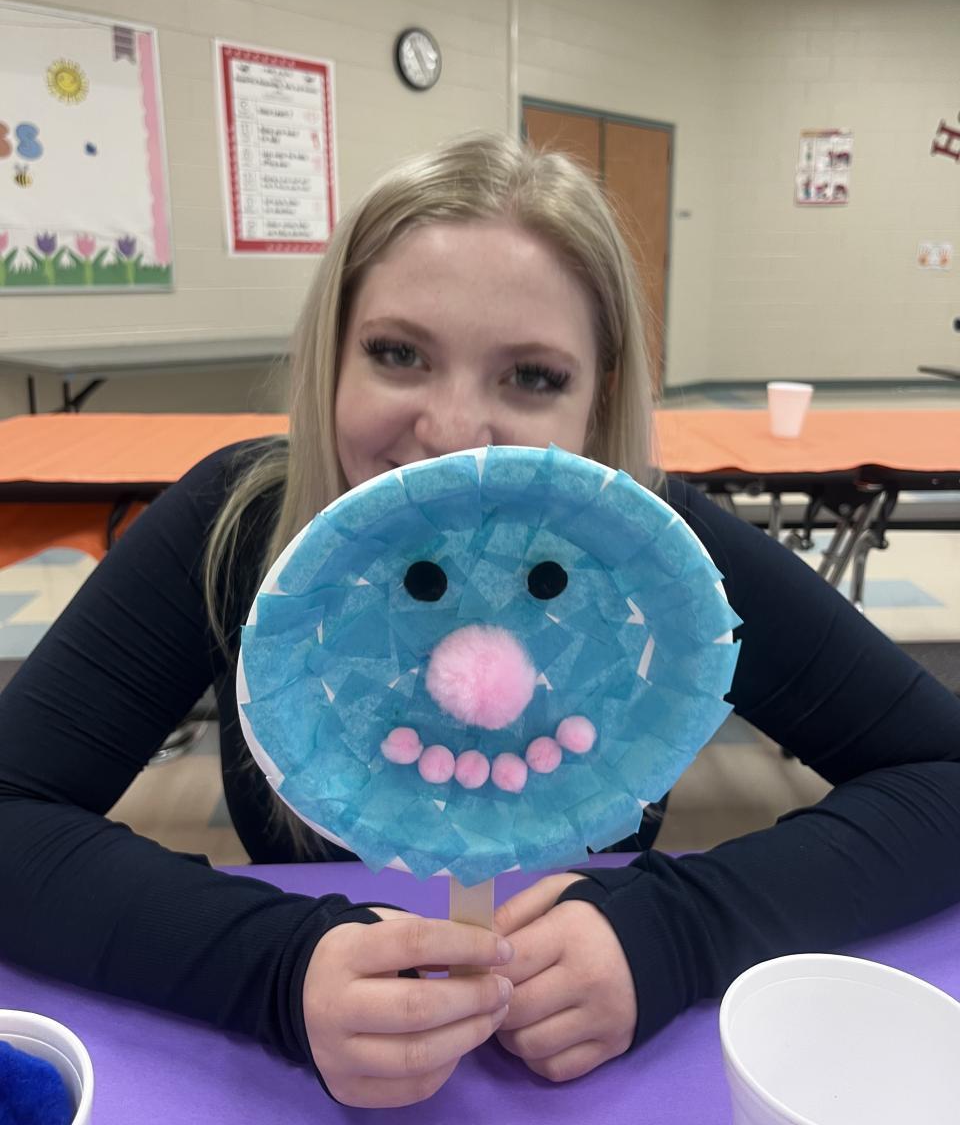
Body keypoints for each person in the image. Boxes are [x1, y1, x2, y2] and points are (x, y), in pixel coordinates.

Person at [1, 132, 959, 1110]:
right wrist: (273, 968)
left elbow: (945, 773)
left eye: (533, 376)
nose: (453, 433)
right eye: (398, 354)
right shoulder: (235, 526)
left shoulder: (656, 557)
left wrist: (678, 929)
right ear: (331, 361)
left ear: (600, 396)